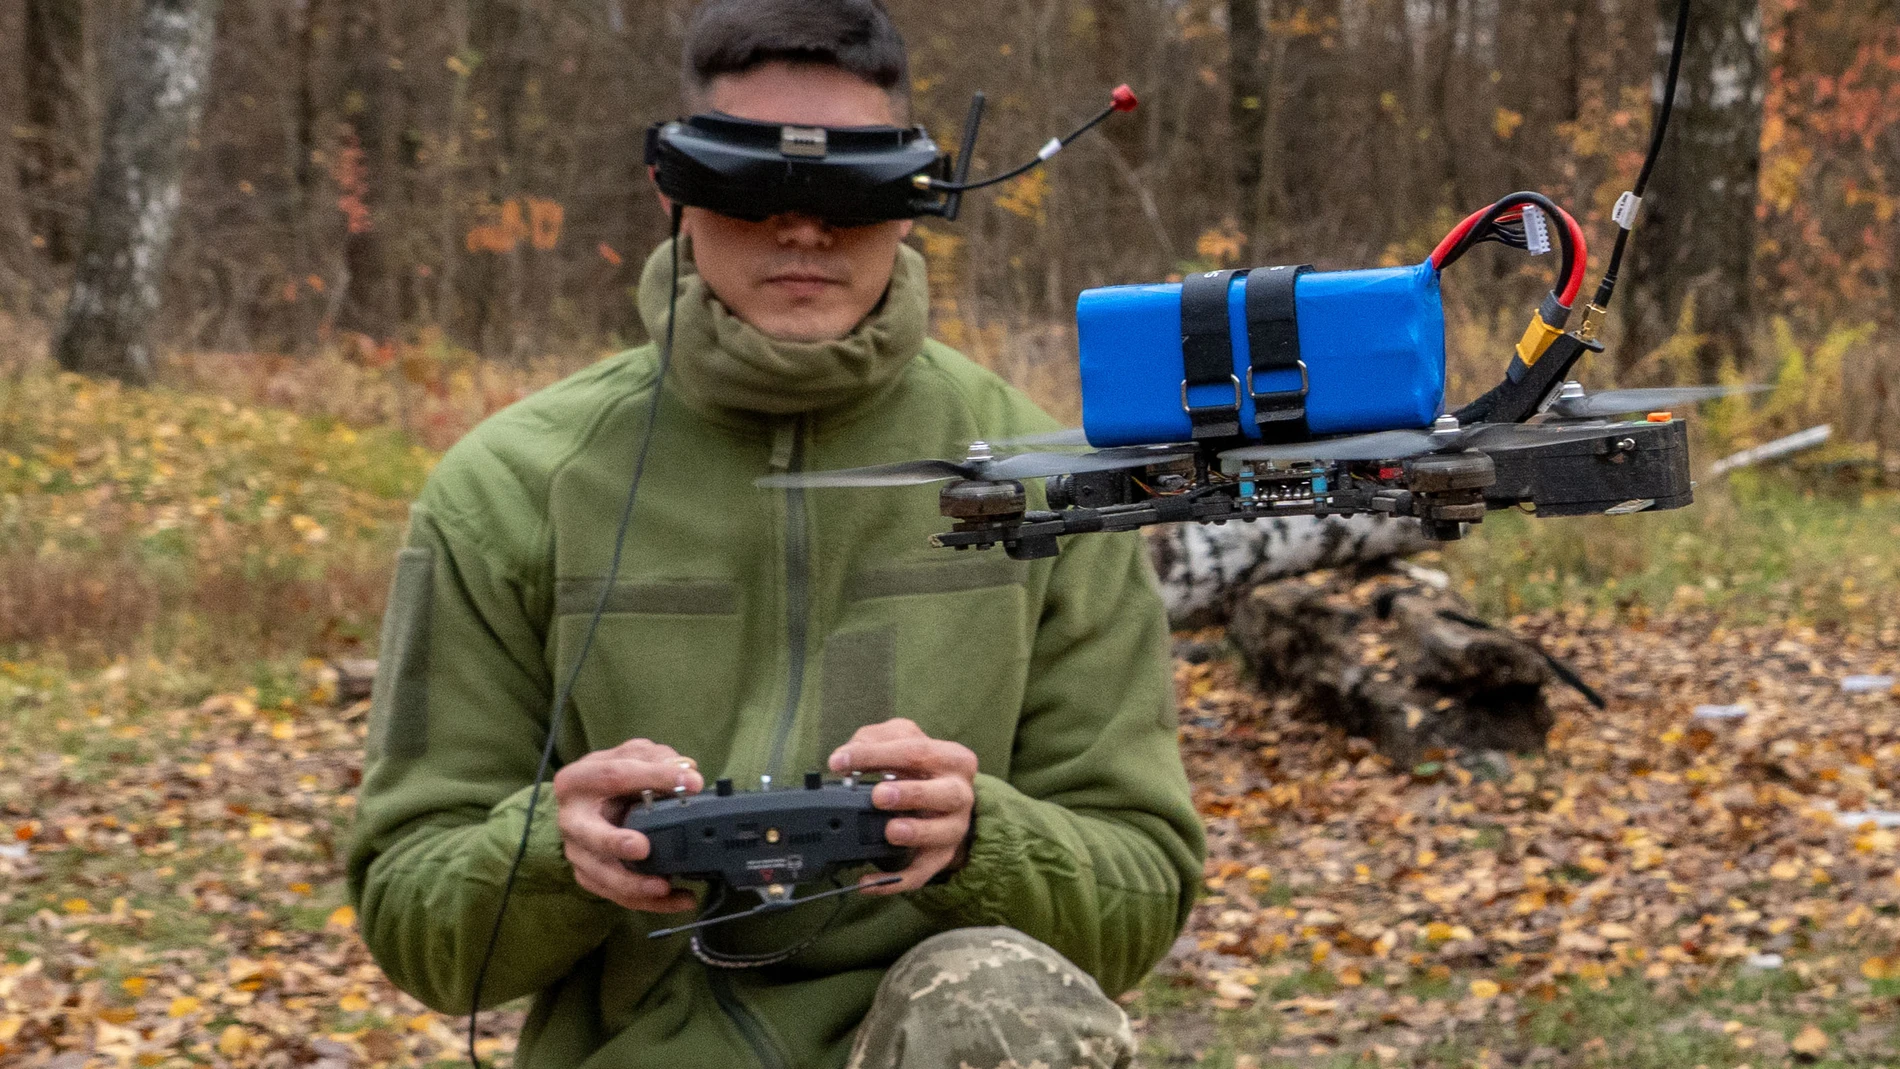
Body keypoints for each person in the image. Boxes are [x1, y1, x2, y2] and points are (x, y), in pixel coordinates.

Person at [346, 1, 1204, 1066]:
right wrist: (553, 852)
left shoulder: (1040, 485)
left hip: (943, 1037)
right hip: (636, 1048)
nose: (804, 229)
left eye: (851, 187)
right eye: (753, 185)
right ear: (674, 185)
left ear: (917, 198)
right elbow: (412, 918)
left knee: (992, 1000)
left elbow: (1143, 888)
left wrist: (981, 836)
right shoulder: (510, 487)